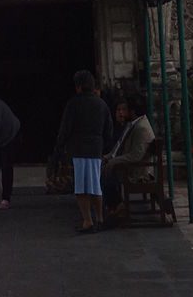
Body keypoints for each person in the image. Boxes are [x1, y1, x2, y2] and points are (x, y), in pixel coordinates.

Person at [56, 70, 113, 233]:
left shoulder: (73, 104)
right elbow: (108, 130)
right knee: (96, 185)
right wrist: (104, 147)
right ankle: (100, 218)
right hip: (96, 149)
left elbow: (65, 128)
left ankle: (87, 220)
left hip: (79, 149)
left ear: (79, 86)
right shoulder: (102, 104)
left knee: (81, 187)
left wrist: (59, 147)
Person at [101, 92, 155, 221]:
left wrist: (114, 161)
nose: (124, 113)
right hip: (131, 164)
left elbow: (136, 155)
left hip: (138, 171)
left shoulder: (140, 127)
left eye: (126, 109)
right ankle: (114, 206)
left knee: (108, 172)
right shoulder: (134, 124)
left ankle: (116, 207)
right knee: (104, 168)